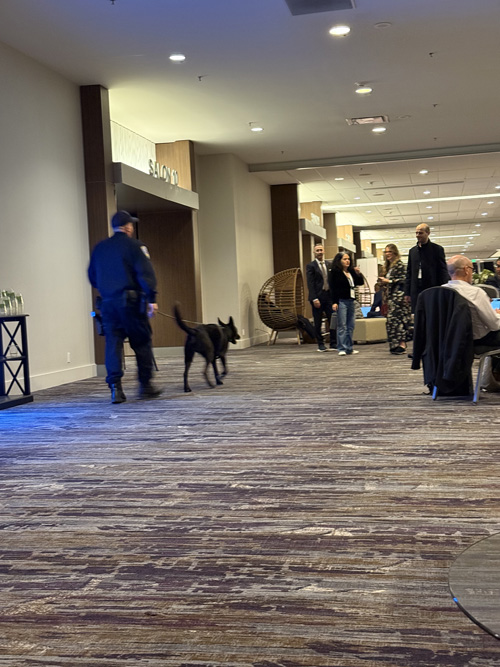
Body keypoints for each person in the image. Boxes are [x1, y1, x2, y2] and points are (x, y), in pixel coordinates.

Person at [88, 210, 162, 403]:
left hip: (108, 305)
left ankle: (115, 388)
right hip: (131, 303)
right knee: (142, 342)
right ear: (128, 227)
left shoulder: (100, 248)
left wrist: (109, 288)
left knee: (113, 344)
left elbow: (92, 276)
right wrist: (151, 299)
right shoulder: (136, 246)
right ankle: (145, 386)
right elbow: (146, 274)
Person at [445, 255, 500, 365]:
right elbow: (494, 325)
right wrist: (496, 314)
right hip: (477, 340)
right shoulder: (475, 293)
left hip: (450, 341)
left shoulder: (439, 291)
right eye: (472, 269)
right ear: (466, 270)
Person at [405, 224, 449, 312]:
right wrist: (407, 292)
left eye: (420, 233)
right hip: (416, 288)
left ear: (428, 233)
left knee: (432, 312)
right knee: (417, 313)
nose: (418, 235)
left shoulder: (437, 249)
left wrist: (444, 288)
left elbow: (443, 270)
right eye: (416, 233)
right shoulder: (412, 251)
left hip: (432, 286)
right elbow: (409, 272)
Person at [378, 244, 412, 355]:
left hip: (399, 298)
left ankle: (402, 344)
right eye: (386, 252)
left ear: (395, 253)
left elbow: (404, 280)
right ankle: (394, 344)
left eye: (390, 252)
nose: (388, 254)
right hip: (391, 297)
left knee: (399, 321)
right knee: (391, 322)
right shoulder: (388, 267)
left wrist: (389, 282)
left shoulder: (400, 265)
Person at [329, 252, 364, 356]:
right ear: (339, 260)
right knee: (342, 325)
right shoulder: (335, 272)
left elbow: (360, 282)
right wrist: (334, 302)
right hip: (341, 301)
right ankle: (342, 348)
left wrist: (358, 273)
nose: (347, 261)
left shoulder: (351, 271)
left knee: (350, 325)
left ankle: (349, 347)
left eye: (348, 259)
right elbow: (333, 288)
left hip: (351, 300)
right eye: (345, 259)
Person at [306, 243, 335, 351]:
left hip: (328, 296)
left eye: (321, 250)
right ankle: (320, 344)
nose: (319, 252)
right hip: (317, 297)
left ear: (324, 251)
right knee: (318, 322)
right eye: (317, 250)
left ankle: (333, 343)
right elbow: (310, 283)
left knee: (332, 320)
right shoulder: (311, 266)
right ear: (314, 252)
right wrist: (314, 298)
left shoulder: (329, 264)